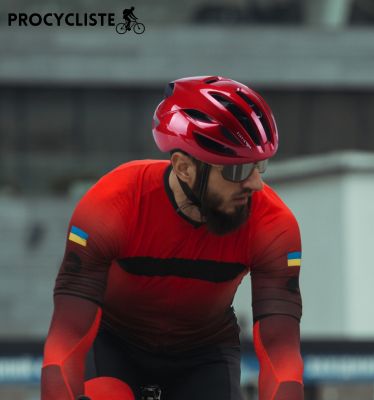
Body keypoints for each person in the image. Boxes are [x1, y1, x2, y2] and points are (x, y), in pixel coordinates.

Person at [41, 76, 304, 400]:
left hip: (204, 354)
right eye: (236, 170)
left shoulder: (272, 223)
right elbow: (67, 334)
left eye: (259, 166)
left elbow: (280, 349)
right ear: (183, 167)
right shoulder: (113, 205)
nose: (255, 184)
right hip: (114, 346)